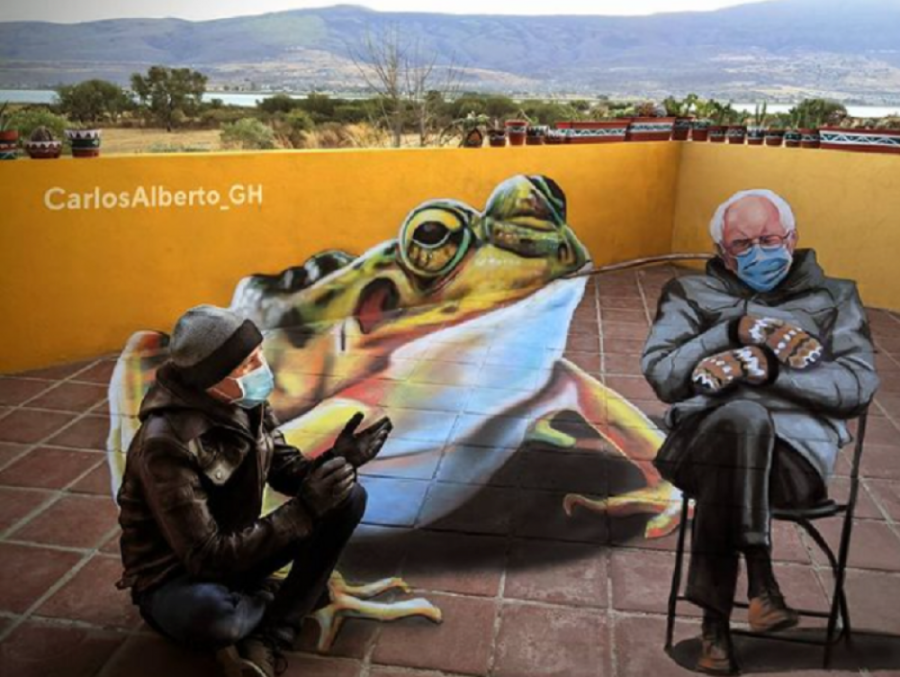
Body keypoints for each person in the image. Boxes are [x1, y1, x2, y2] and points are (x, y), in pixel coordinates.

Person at [642, 189, 878, 675]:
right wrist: (731, 332)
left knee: (738, 440)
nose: (758, 253)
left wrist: (770, 372)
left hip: (792, 461)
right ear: (722, 253)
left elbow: (857, 385)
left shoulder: (835, 297)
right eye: (742, 245)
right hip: (698, 444)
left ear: (792, 239)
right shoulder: (689, 294)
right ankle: (760, 579)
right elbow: (663, 376)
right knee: (738, 424)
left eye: (768, 240)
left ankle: (715, 628)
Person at [115, 305, 393, 677]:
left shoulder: (245, 404)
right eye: (248, 363)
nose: (262, 368)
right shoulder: (164, 443)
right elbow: (205, 557)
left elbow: (286, 469)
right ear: (211, 378)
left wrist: (336, 462)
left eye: (259, 354)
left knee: (347, 495)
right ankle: (285, 599)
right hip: (177, 577)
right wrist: (304, 511)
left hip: (237, 551)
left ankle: (274, 632)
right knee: (215, 619)